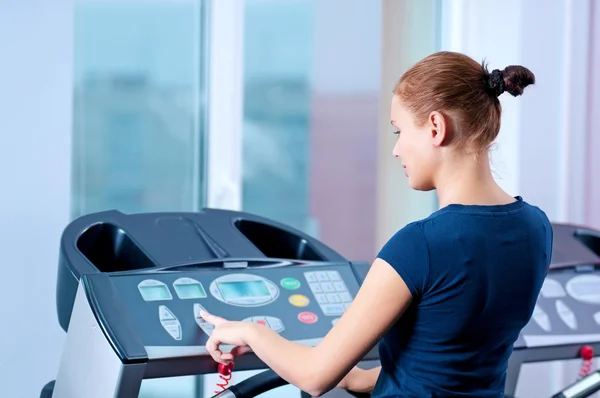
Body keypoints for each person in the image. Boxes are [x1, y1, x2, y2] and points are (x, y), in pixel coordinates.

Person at [200, 51, 553, 397]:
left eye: (399, 131)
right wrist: (360, 379)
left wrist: (253, 333)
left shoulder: (421, 245)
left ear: (435, 127)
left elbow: (314, 376)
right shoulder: (536, 227)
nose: (397, 150)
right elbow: (451, 359)